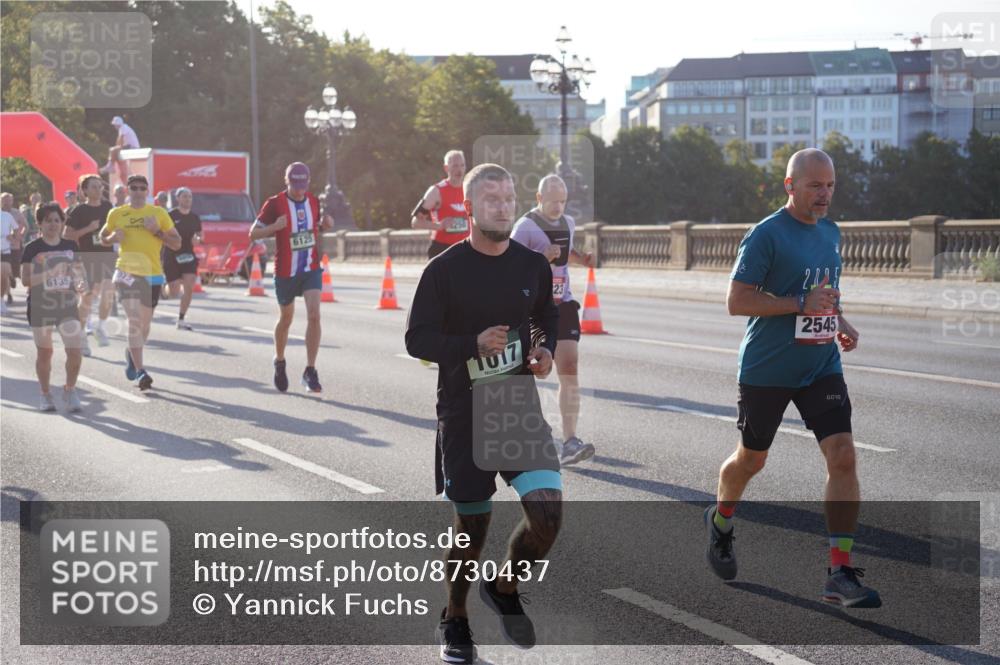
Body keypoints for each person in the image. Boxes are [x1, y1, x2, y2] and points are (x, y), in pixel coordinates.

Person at [706, 148, 879, 608]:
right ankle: (721, 519)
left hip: (820, 364)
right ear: (790, 186)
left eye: (830, 186)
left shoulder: (831, 231)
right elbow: (737, 301)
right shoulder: (766, 235)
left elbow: (825, 292)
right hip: (767, 369)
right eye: (814, 186)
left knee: (843, 456)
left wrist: (839, 321)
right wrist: (797, 304)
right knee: (751, 461)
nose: (824, 195)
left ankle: (839, 572)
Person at [406, 164, 562, 663]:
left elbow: (546, 314)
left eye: (509, 196)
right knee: (472, 530)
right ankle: (455, 617)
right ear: (469, 208)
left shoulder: (531, 265)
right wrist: (468, 344)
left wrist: (545, 348)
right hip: (464, 411)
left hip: (514, 405)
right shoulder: (444, 270)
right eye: (490, 198)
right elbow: (417, 339)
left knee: (548, 514)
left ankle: (504, 586)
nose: (502, 204)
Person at [511, 174, 597, 466]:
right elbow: (508, 266)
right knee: (534, 371)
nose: (558, 206)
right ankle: (527, 435)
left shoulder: (569, 223)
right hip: (533, 308)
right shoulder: (524, 227)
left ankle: (570, 441)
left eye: (563, 201)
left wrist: (580, 258)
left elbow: (566, 251)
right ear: (539, 198)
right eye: (553, 201)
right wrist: (539, 257)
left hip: (563, 302)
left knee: (570, 364)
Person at [248, 162, 332, 393]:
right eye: (295, 185)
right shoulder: (275, 203)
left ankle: (310, 370)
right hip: (285, 270)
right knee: (286, 319)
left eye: (303, 184)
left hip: (310, 267)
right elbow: (253, 233)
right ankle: (279, 360)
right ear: (287, 181)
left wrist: (326, 224)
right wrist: (273, 227)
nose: (299, 189)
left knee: (314, 315)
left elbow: (316, 226)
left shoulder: (314, 201)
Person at [98, 174, 181, 390]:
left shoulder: (158, 213)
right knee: (134, 321)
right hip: (126, 272)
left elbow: (177, 243)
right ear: (127, 190)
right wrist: (110, 239)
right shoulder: (117, 213)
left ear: (147, 191)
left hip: (152, 274)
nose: (137, 191)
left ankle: (131, 354)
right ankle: (141, 371)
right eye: (133, 187)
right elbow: (102, 236)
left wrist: (157, 232)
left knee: (144, 325)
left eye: (141, 188)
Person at [20, 202, 88, 412]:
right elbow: (25, 280)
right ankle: (45, 393)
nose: (53, 224)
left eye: (57, 220)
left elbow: (78, 271)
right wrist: (50, 273)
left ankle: (69, 389)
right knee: (45, 353)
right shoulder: (32, 248)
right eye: (48, 220)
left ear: (62, 223)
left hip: (66, 304)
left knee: (75, 351)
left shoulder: (71, 246)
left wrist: (80, 282)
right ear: (40, 223)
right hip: (41, 305)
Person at [64, 174, 115, 352]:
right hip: (86, 257)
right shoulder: (78, 211)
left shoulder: (109, 207)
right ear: (85, 190)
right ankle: (80, 336)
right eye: (94, 186)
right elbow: (67, 236)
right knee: (88, 297)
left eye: (100, 186)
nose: (98, 189)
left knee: (109, 293)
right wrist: (89, 229)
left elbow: (116, 228)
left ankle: (100, 327)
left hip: (107, 256)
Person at [411, 150, 470, 260]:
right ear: (446, 168)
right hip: (441, 249)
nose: (459, 170)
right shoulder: (436, 191)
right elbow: (415, 222)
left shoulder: (471, 190)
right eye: (455, 166)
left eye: (462, 165)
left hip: (465, 248)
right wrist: (439, 226)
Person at [163, 187, 202, 329]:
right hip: (172, 254)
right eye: (184, 196)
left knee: (189, 285)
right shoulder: (170, 215)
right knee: (174, 291)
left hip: (188, 254)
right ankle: (164, 289)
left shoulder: (194, 217)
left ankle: (181, 319)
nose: (187, 199)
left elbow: (199, 234)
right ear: (178, 199)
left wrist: (197, 239)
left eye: (190, 197)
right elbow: (162, 234)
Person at [1, 193, 27, 312]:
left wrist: (18, 237)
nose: (6, 203)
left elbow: (22, 227)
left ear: (12, 201)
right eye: (4, 201)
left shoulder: (13, 214)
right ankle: (5, 296)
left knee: (11, 271)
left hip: (12, 247)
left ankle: (12, 278)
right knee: (2, 274)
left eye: (8, 200)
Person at [99, 116, 140, 184]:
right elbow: (119, 141)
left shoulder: (123, 128)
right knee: (114, 149)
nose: (114, 126)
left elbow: (120, 139)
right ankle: (110, 165)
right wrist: (117, 148)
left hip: (132, 147)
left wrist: (116, 148)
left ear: (117, 124)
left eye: (114, 124)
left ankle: (110, 166)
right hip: (129, 146)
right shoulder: (124, 128)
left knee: (113, 150)